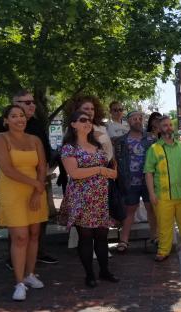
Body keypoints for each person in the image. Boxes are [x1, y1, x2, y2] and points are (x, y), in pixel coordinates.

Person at [0, 89, 58, 270]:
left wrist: (45, 172)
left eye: (32, 102)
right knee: (18, 226)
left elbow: (45, 148)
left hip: (40, 178)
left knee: (38, 224)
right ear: (15, 103)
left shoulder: (36, 124)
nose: (32, 105)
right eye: (26, 102)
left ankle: (37, 255)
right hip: (14, 183)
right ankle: (15, 260)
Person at [0, 105, 48, 301]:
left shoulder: (35, 140)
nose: (19, 119)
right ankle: (19, 283)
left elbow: (42, 166)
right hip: (12, 191)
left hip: (35, 191)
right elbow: (7, 169)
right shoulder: (0, 139)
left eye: (22, 115)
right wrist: (36, 184)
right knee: (20, 237)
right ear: (6, 120)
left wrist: (37, 189)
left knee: (34, 234)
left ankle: (30, 274)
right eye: (14, 116)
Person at [59, 111, 119, 288]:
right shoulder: (69, 147)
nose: (87, 123)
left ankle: (104, 271)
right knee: (86, 237)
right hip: (81, 198)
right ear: (73, 124)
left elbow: (110, 166)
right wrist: (100, 170)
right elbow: (74, 173)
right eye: (82, 120)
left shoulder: (97, 145)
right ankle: (89, 275)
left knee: (102, 235)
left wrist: (112, 172)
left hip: (99, 197)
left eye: (90, 120)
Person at [144, 115, 181, 261]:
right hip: (162, 196)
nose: (168, 127)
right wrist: (151, 194)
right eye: (165, 125)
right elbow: (148, 173)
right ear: (159, 129)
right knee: (164, 226)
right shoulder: (154, 149)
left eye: (170, 124)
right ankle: (163, 251)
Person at [114, 111, 157, 253]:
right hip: (129, 181)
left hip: (148, 180)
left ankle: (154, 237)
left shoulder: (151, 138)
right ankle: (124, 240)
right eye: (134, 119)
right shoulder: (121, 140)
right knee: (129, 210)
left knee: (151, 208)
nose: (138, 121)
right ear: (128, 122)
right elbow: (116, 160)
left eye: (140, 118)